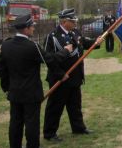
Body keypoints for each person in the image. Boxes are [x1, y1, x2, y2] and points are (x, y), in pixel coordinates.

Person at [0, 14, 72, 148]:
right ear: (26, 29)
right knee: (31, 122)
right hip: (31, 93)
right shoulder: (32, 47)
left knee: (15, 122)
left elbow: (2, 70)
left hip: (14, 92)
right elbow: (51, 60)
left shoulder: (6, 45)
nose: (33, 29)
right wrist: (66, 51)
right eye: (32, 26)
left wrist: (7, 88)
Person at [43, 8, 102, 141]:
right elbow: (49, 60)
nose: (75, 22)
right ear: (64, 22)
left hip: (75, 77)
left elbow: (84, 43)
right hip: (60, 78)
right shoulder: (52, 37)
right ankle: (50, 133)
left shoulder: (75, 32)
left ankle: (78, 128)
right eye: (72, 20)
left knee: (75, 105)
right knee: (55, 107)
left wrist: (96, 42)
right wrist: (60, 74)